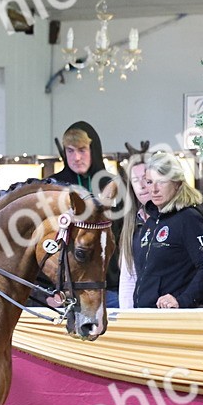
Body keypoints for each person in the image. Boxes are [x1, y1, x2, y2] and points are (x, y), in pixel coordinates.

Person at [51, 121, 124, 308]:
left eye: (82, 150)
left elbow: (126, 234)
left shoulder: (114, 185)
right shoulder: (52, 188)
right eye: (70, 151)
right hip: (64, 291)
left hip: (109, 288)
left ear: (94, 150)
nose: (76, 157)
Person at [133, 151, 203, 309]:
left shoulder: (189, 218)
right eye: (150, 182)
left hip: (172, 317)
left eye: (162, 182)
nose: (154, 189)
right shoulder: (150, 223)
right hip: (146, 315)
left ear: (177, 183)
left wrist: (183, 300)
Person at [116, 154, 153, 309]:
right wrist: (128, 317)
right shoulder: (132, 223)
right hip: (142, 310)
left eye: (145, 178)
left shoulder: (182, 217)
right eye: (135, 180)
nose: (142, 185)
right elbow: (128, 279)